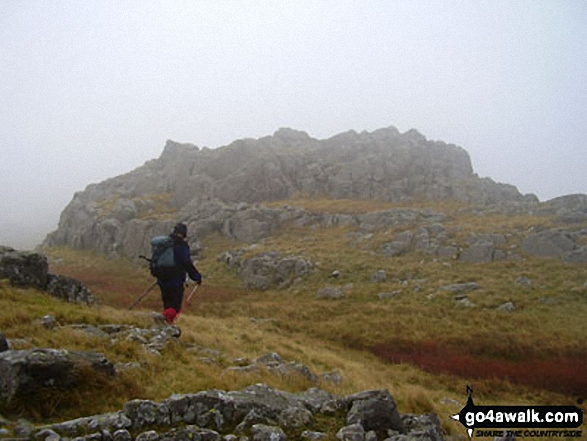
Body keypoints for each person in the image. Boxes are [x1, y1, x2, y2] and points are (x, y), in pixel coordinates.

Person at [157, 222, 202, 324]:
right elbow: (187, 263)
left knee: (167, 304)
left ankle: (164, 324)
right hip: (176, 281)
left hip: (162, 279)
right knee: (175, 307)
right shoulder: (181, 246)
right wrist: (197, 277)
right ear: (184, 233)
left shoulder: (165, 243)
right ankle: (166, 324)